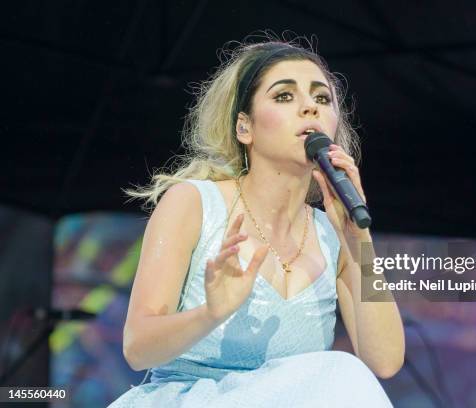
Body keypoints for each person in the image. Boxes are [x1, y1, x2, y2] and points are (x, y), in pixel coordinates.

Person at [109, 35, 405, 407]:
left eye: (322, 98)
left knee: (344, 373)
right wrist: (211, 313)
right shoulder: (193, 203)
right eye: (284, 96)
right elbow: (137, 348)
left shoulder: (334, 236)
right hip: (185, 399)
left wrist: (357, 238)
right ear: (244, 128)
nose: (309, 107)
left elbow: (385, 361)